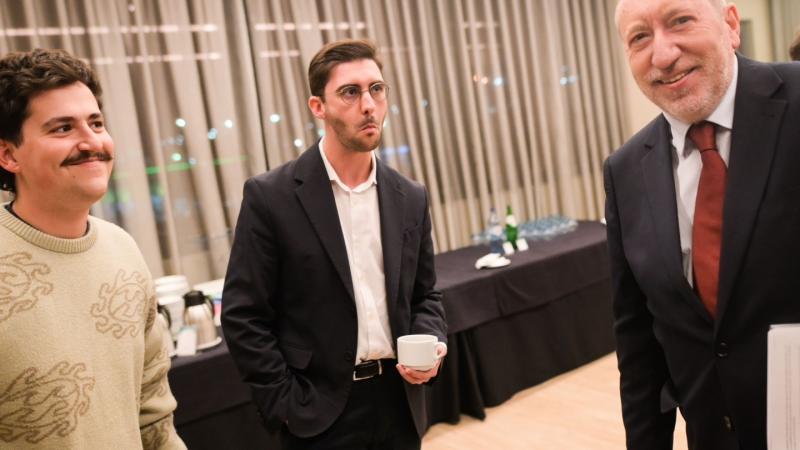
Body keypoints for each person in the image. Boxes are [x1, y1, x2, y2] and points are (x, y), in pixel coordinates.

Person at [221, 39, 447, 449]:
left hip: (400, 404)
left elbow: (425, 294)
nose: (369, 105)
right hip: (316, 412)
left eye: (376, 89)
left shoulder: (410, 196)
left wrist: (432, 342)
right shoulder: (271, 196)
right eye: (350, 92)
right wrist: (284, 403)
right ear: (318, 106)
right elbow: (243, 315)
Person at [605, 0, 800, 449]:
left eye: (680, 21)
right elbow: (638, 343)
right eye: (639, 37)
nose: (662, 54)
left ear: (730, 24)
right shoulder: (625, 170)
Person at [0, 49, 185, 449]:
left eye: (96, 123)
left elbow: (153, 409)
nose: (91, 142)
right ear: (9, 154)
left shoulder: (122, 249)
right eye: (63, 128)